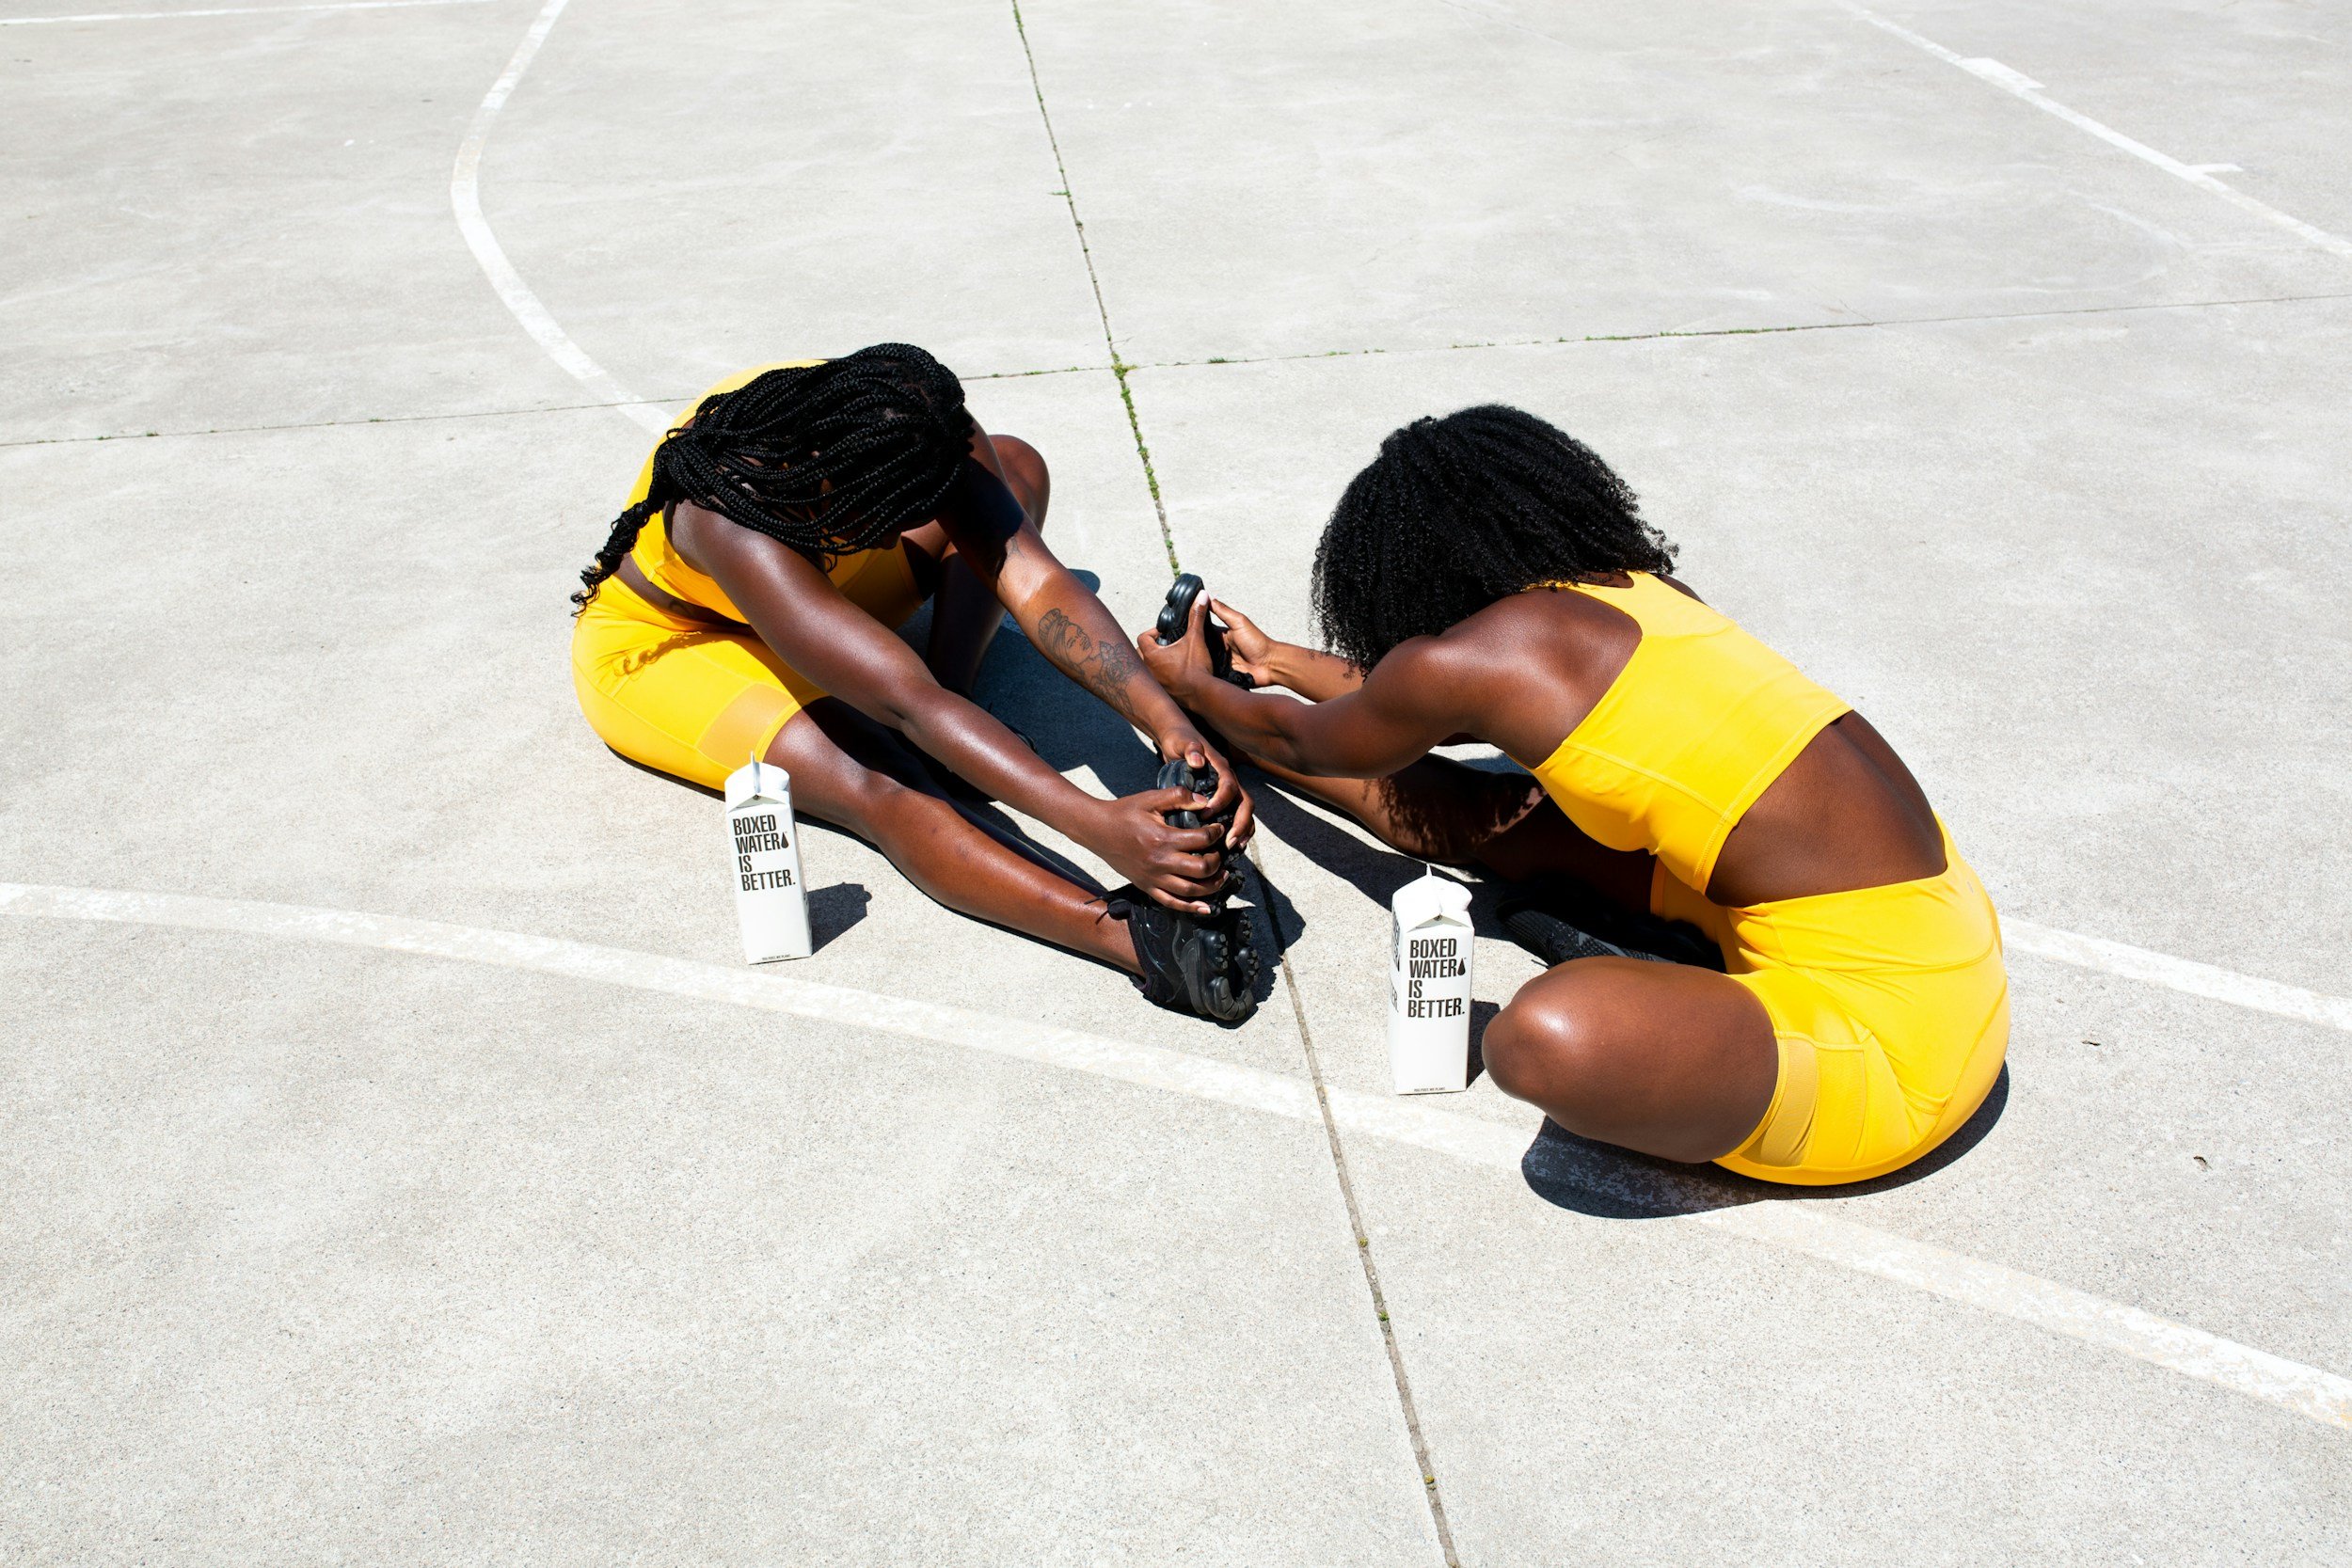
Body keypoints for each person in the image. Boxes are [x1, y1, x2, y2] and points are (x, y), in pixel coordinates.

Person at [1138, 405, 2007, 1182]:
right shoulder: (1636, 594)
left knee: (1540, 1040)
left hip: (1894, 1066)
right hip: (1946, 945)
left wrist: (1196, 687)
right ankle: (1679, 977)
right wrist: (1272, 669)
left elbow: (1312, 732)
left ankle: (1676, 998)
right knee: (1511, 827)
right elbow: (1398, 711)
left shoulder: (1474, 663)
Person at [571, 345, 1257, 1020]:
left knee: (1011, 469)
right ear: (837, 487)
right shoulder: (727, 509)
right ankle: (1139, 943)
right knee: (884, 776)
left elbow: (1038, 580)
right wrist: (1096, 821)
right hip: (678, 640)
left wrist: (1173, 726)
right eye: (892, 512)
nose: (910, 528)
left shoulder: (905, 417)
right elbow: (909, 704)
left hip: (812, 582)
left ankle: (959, 698)